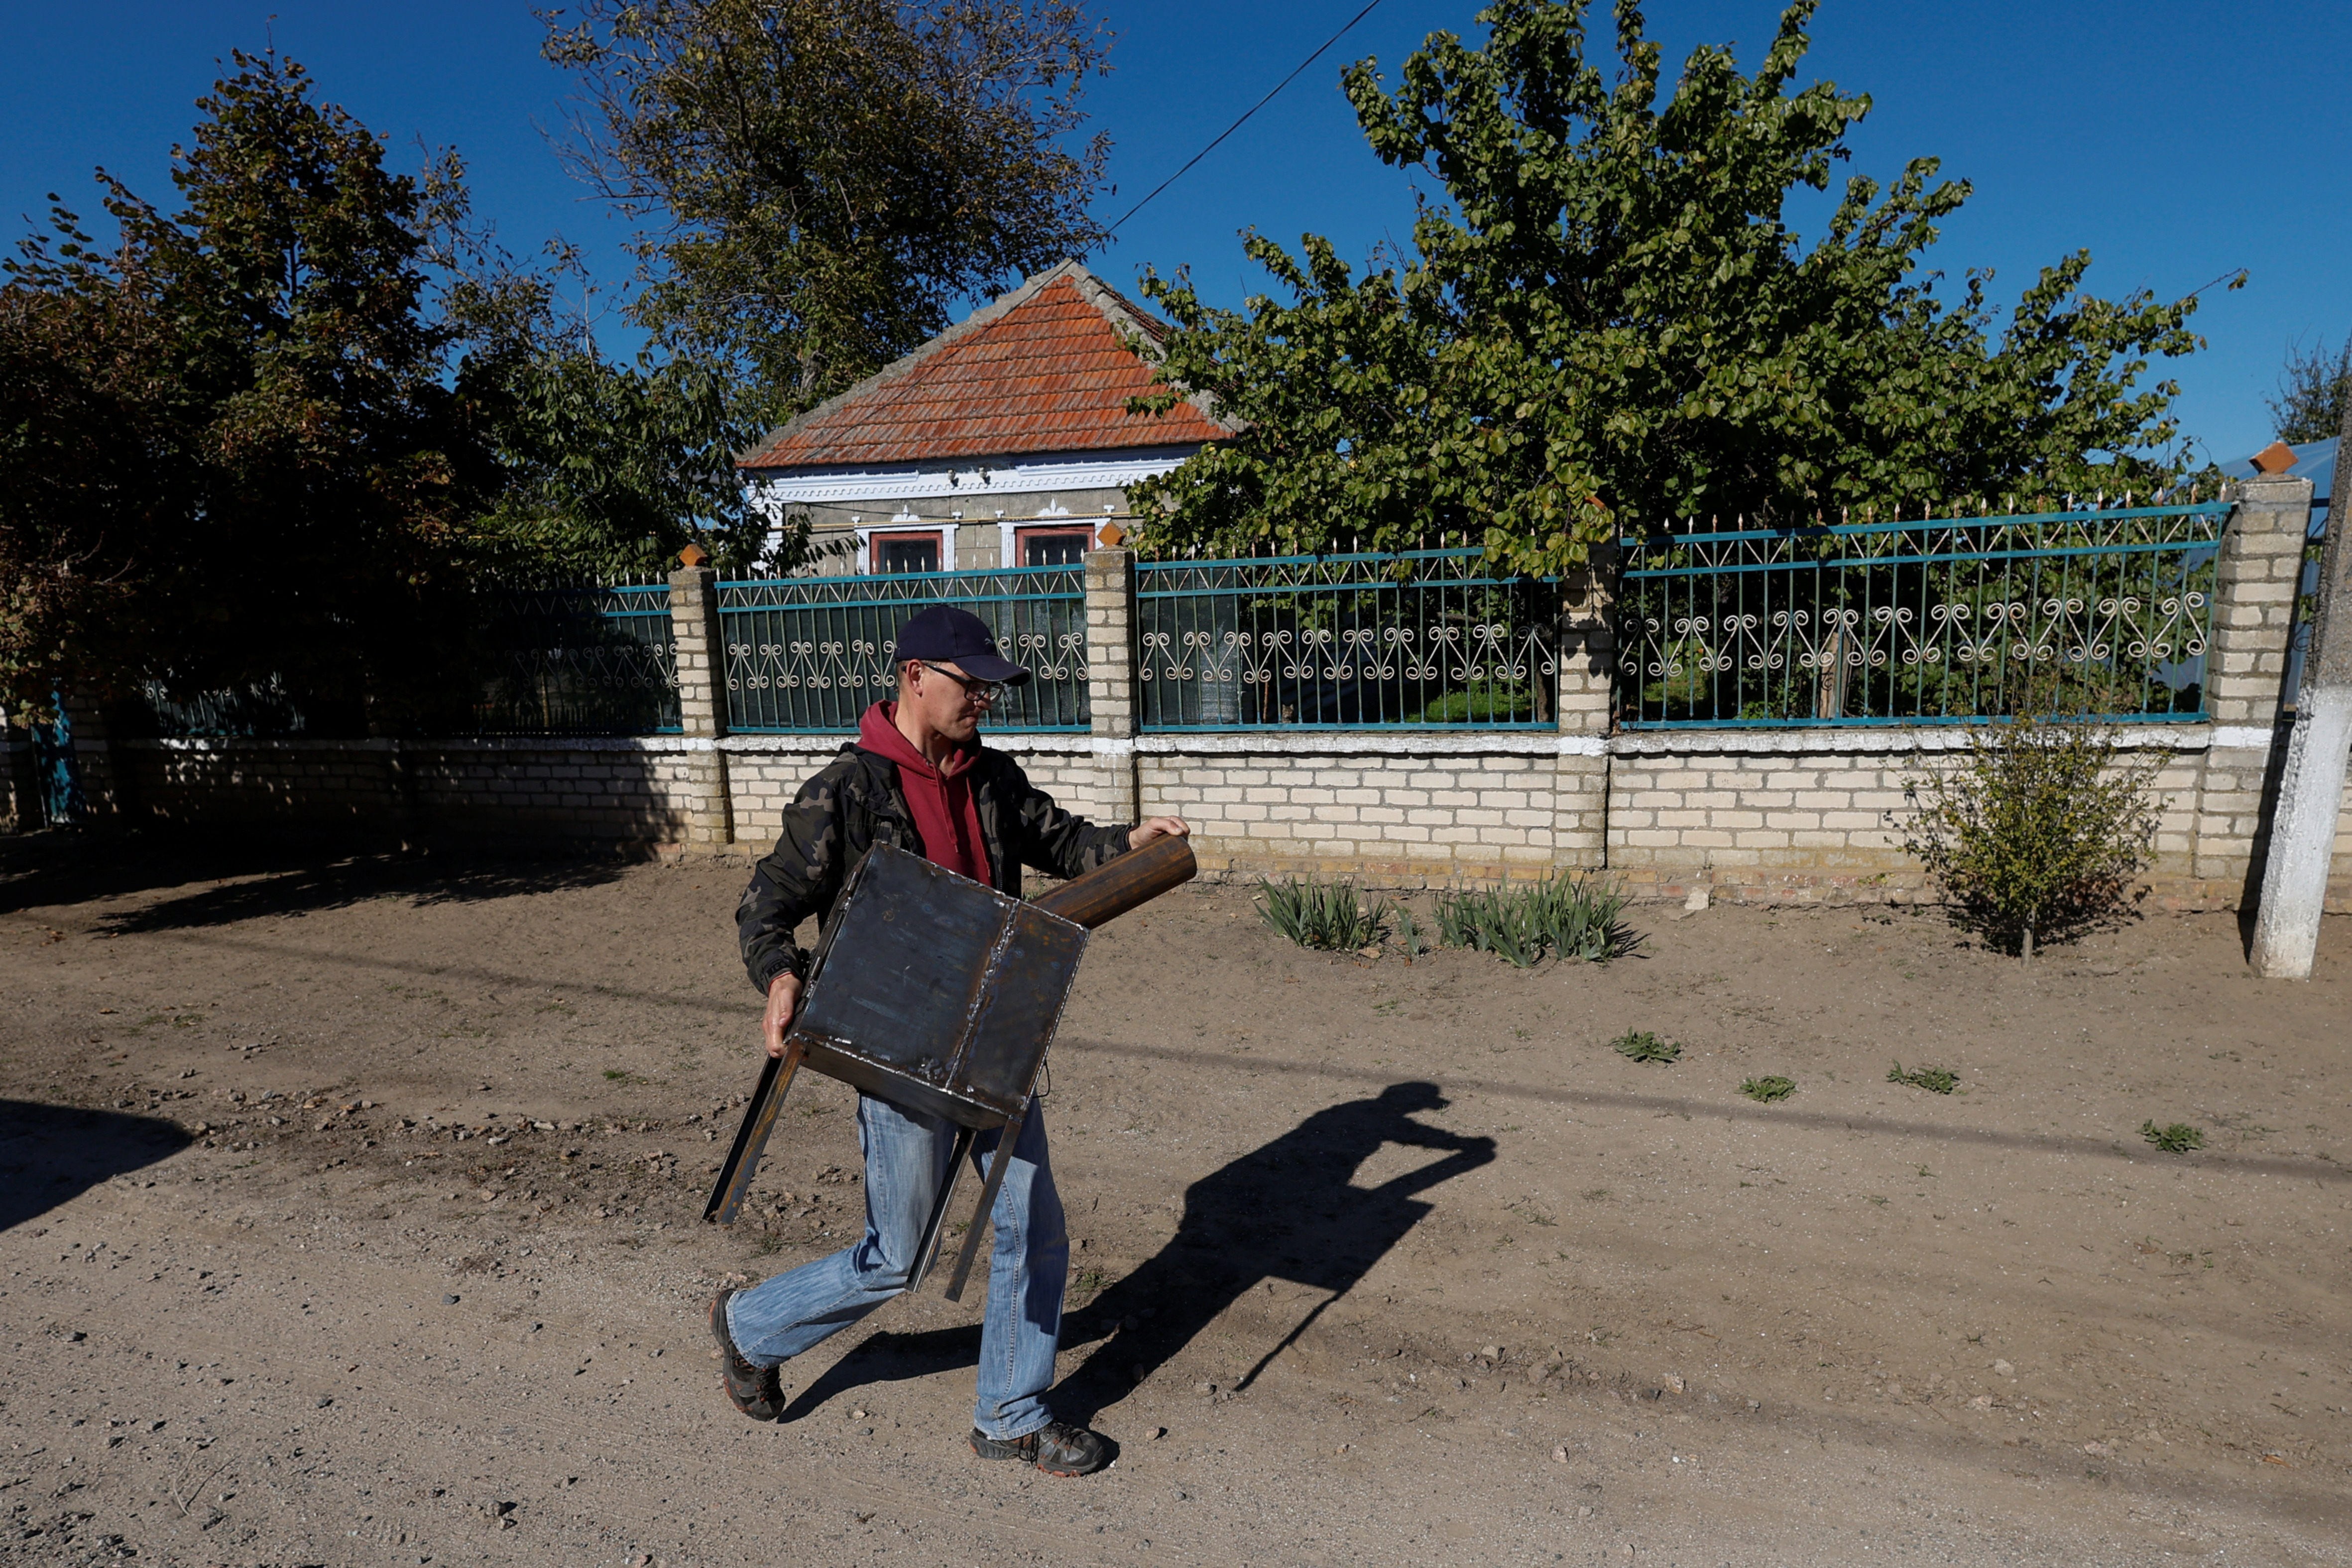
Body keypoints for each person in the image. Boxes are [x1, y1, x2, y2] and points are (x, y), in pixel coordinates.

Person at [712, 603, 1188, 1477]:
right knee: (897, 1256)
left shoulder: (992, 778)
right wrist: (780, 977)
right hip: (897, 1051)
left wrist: (1129, 842)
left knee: (1033, 1228)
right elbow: (766, 905)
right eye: (970, 685)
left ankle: (1010, 1409)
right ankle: (751, 1325)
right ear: (913, 676)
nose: (984, 701)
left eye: (989, 687)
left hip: (998, 1037)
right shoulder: (846, 791)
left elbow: (1065, 842)